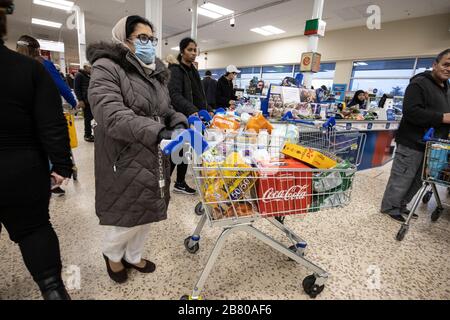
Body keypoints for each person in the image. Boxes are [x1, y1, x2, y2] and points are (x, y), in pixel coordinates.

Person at [87, 15, 188, 284]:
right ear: (124, 38)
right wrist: (159, 131)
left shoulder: (155, 73)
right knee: (125, 216)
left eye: (152, 39)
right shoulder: (106, 67)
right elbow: (111, 114)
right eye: (142, 38)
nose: (149, 44)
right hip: (124, 155)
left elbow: (166, 109)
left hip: (154, 155)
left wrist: (177, 121)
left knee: (147, 212)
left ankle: (133, 255)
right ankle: (112, 254)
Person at [0, 0, 73, 300]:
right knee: (34, 231)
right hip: (21, 169)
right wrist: (61, 166)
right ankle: (53, 290)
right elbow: (51, 123)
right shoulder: (30, 69)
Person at [381, 49, 450, 223]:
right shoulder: (419, 83)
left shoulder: (445, 88)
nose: (448, 69)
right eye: (446, 64)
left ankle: (402, 204)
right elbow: (411, 112)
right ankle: (390, 206)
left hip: (432, 145)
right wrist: (442, 117)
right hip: (412, 142)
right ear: (435, 65)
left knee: (419, 179)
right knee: (402, 176)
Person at [16, 35, 78, 196]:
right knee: (49, 141)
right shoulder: (43, 64)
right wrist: (74, 102)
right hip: (45, 113)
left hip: (20, 118)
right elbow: (61, 86)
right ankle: (53, 178)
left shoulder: (12, 64)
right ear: (37, 49)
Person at [167, 37, 211, 195]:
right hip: (178, 117)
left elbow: (199, 95)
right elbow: (174, 95)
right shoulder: (175, 70)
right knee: (176, 151)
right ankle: (164, 183)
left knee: (184, 151)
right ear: (182, 51)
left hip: (191, 117)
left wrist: (207, 109)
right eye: (190, 50)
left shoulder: (192, 70)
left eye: (195, 50)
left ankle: (179, 182)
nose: (193, 53)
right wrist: (192, 109)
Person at [74, 63, 95, 142]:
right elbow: (77, 88)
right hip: (85, 101)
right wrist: (80, 100)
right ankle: (87, 135)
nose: (91, 70)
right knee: (87, 118)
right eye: (90, 68)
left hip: (91, 100)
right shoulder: (79, 75)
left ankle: (91, 133)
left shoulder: (89, 76)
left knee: (91, 117)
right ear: (85, 67)